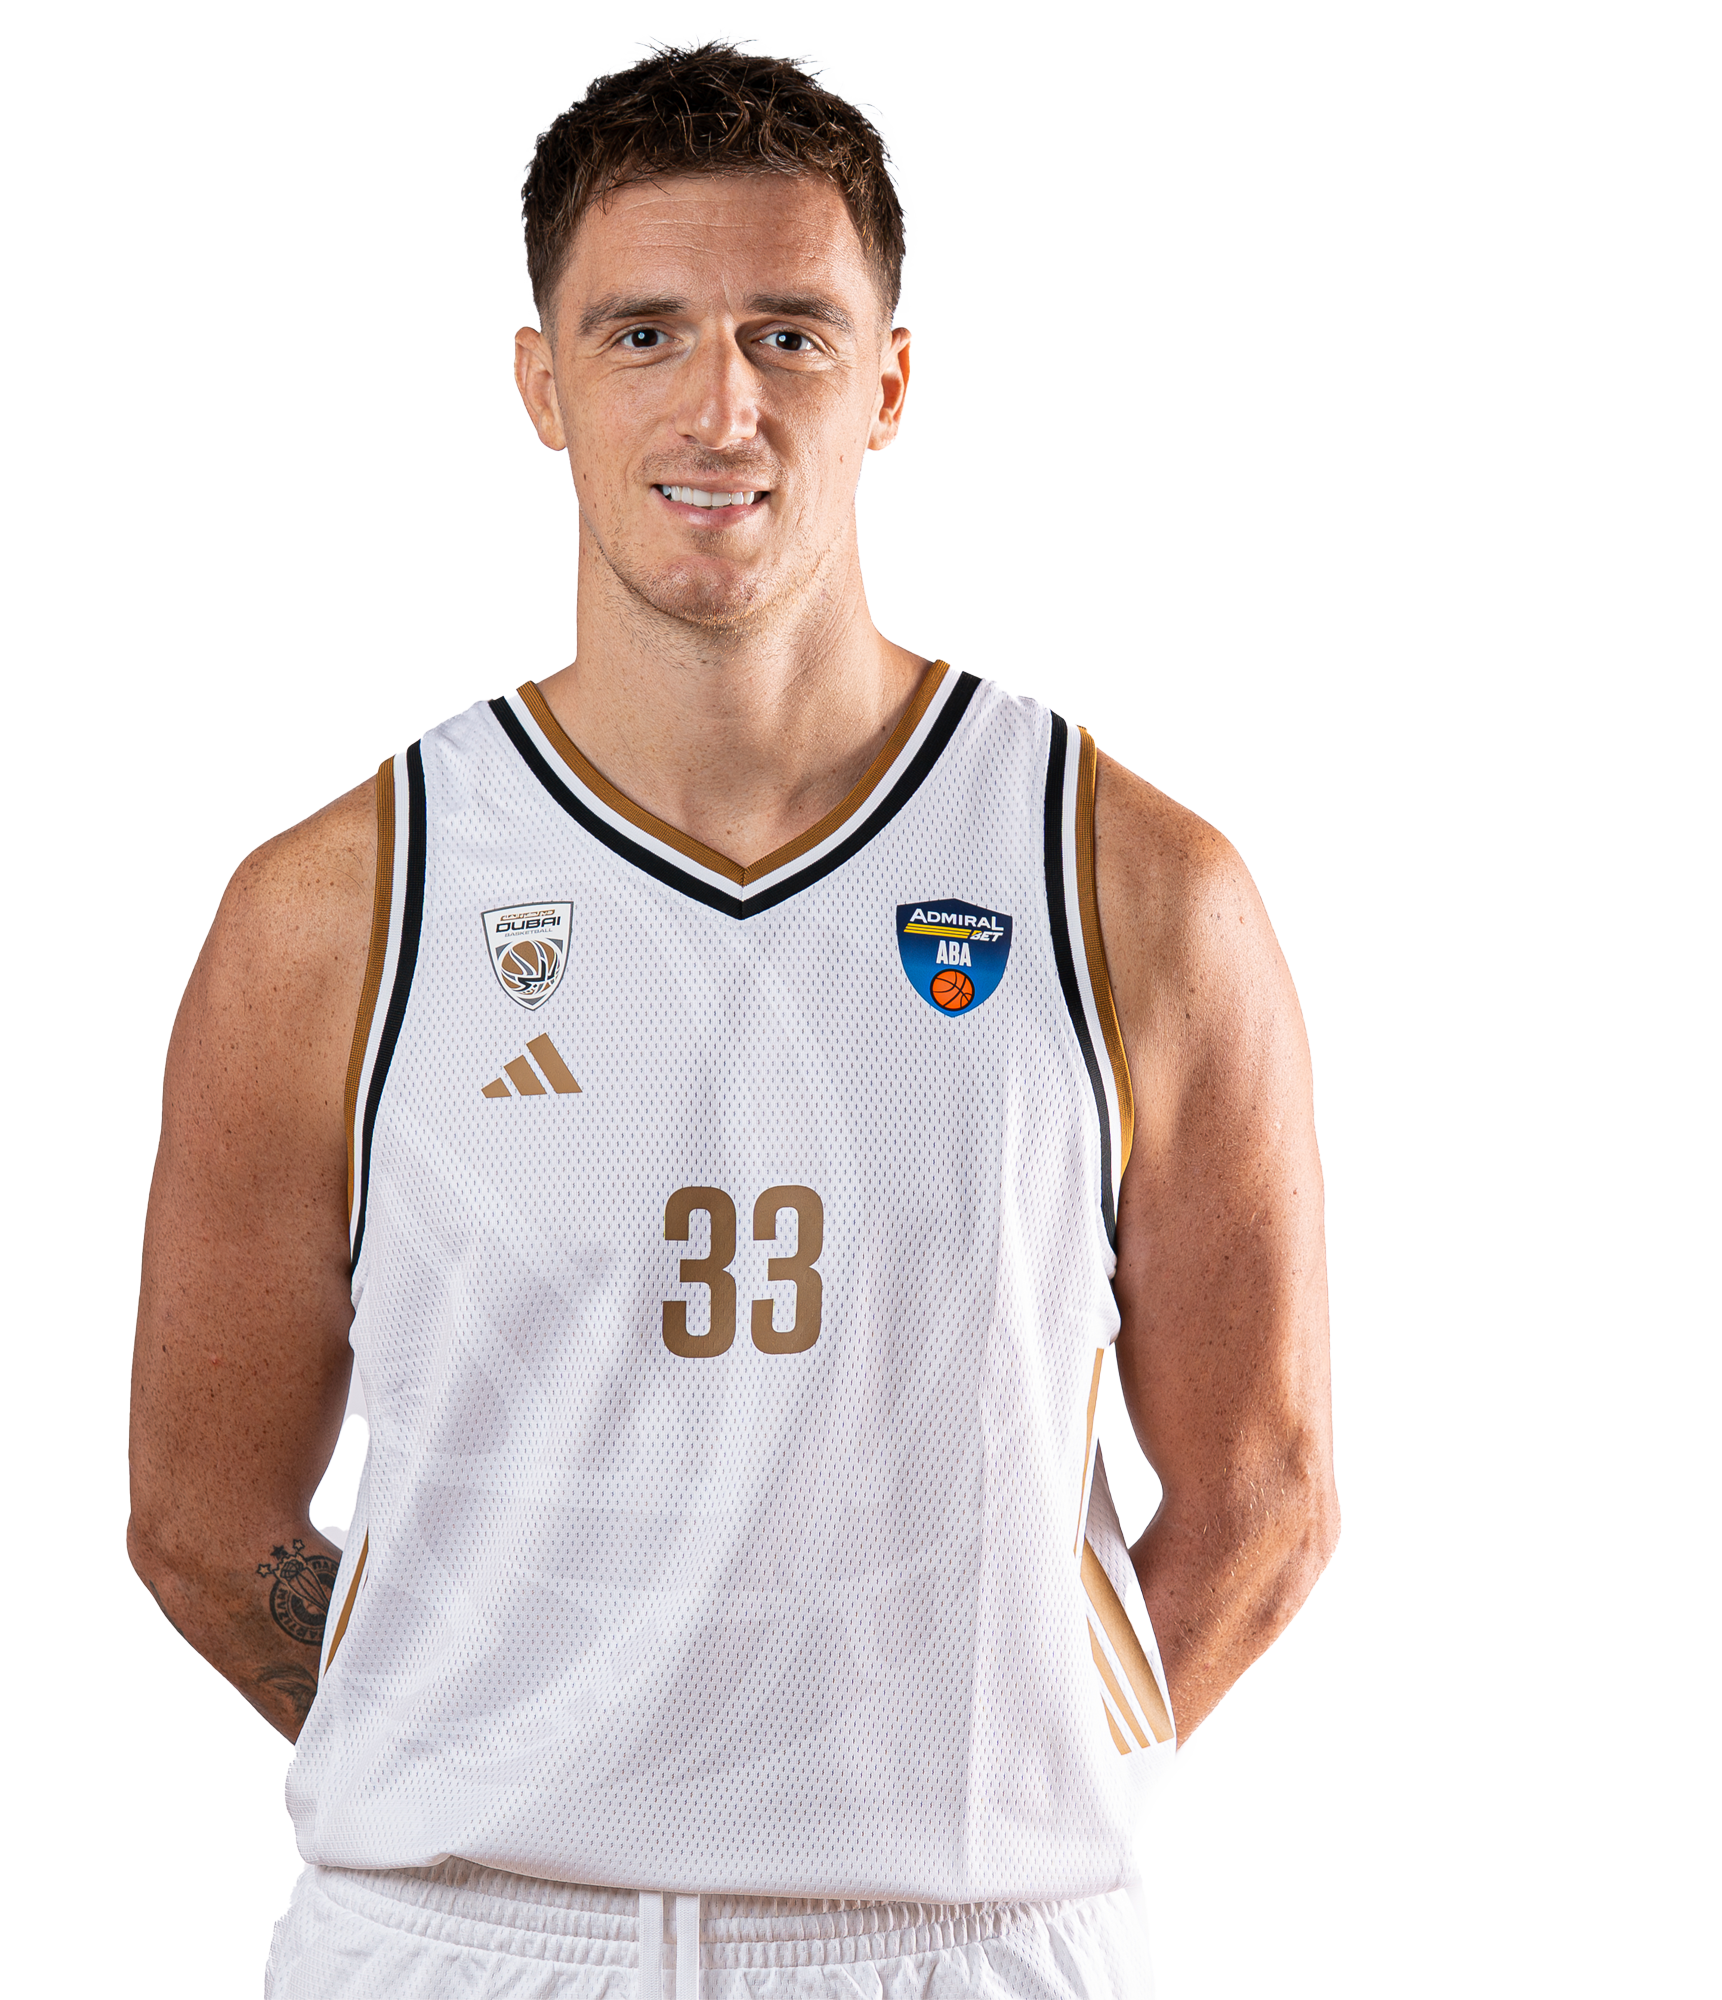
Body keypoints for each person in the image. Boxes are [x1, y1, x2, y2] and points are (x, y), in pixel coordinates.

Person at [129, 38, 1337, 2000]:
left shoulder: (1129, 884)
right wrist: (486, 1746)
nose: (721, 406)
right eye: (643, 334)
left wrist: (1001, 1787)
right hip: (462, 1936)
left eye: (790, 333)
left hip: (960, 1942)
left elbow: (1265, 1496)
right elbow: (201, 1515)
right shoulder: (337, 908)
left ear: (889, 381)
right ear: (541, 383)